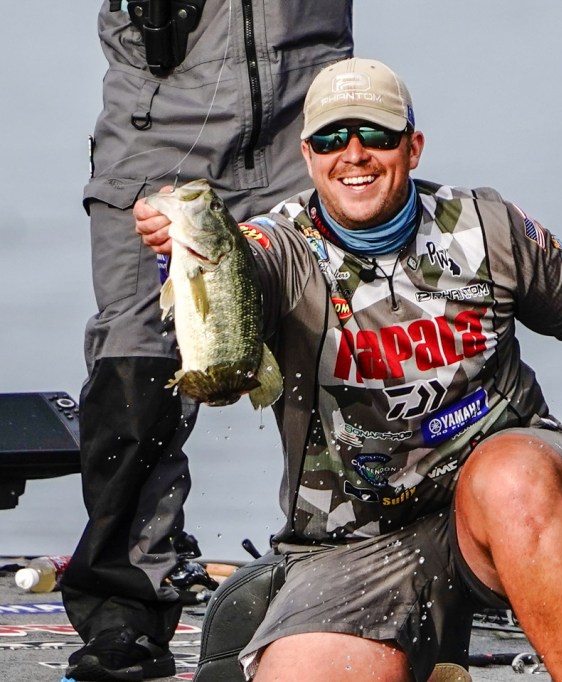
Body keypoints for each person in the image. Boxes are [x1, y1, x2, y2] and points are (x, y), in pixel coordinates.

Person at [134, 57, 562, 682]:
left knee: (510, 479)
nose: (354, 154)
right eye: (331, 139)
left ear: (413, 147)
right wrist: (178, 247)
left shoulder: (487, 226)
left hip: (504, 501)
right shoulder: (278, 246)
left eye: (376, 135)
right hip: (355, 542)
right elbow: (235, 270)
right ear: (307, 155)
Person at [61, 3, 353, 680]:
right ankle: (125, 611)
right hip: (156, 128)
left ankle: (347, 577)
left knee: (343, 348)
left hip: (308, 122)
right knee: (134, 365)